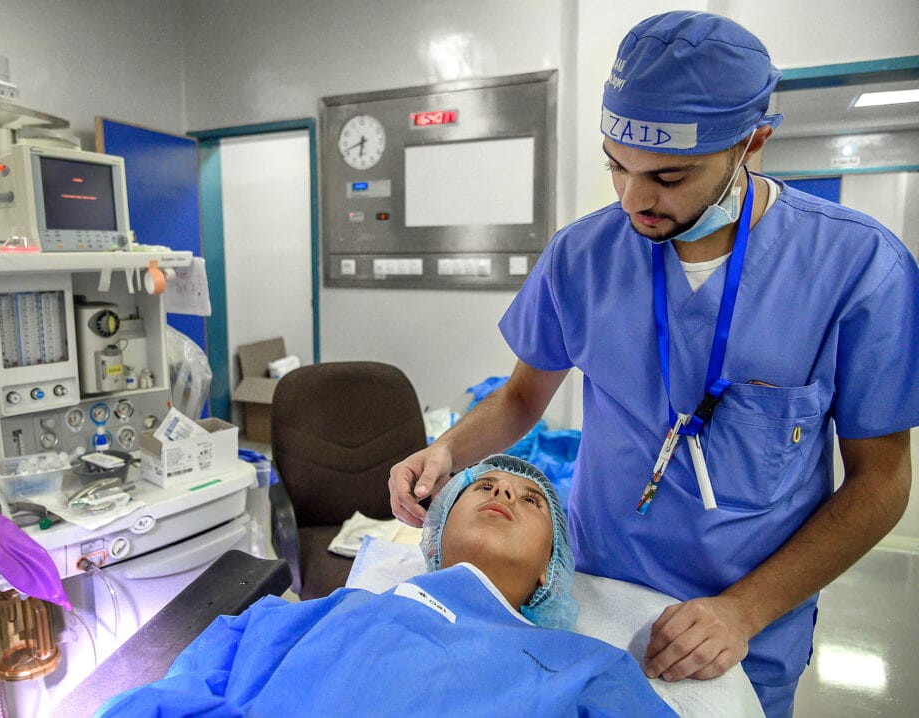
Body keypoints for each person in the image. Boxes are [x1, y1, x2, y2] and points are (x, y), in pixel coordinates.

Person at [389, 11, 919, 718]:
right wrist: (447, 449)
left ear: (752, 144)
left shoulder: (858, 269)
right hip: (595, 595)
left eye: (668, 176)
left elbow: (881, 481)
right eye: (617, 164)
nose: (635, 199)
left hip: (745, 623)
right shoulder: (583, 258)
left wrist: (745, 611)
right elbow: (521, 399)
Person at [97, 455, 677, 717]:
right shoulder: (323, 612)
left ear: (552, 567)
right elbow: (176, 695)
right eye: (484, 487)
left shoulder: (583, 667)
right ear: (438, 527)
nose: (504, 494)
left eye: (531, 501)